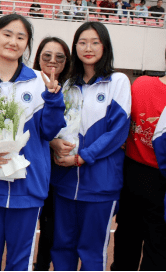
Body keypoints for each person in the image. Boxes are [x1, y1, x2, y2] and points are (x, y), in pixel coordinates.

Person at [0, 14, 65, 271]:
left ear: (27, 44)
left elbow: (48, 131)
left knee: (20, 260)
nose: (13, 41)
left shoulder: (40, 81)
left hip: (29, 186)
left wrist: (53, 100)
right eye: (7, 34)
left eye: (21, 37)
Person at [50, 21, 131, 271]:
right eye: (83, 42)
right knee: (62, 246)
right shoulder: (68, 86)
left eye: (95, 42)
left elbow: (117, 132)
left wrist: (81, 158)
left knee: (92, 250)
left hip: (100, 185)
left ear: (105, 46)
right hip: (65, 183)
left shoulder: (117, 81)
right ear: (75, 47)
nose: (88, 47)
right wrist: (56, 146)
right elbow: (56, 126)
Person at [111, 54, 166, 271]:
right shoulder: (141, 84)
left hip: (157, 181)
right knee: (128, 242)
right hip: (134, 173)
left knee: (157, 247)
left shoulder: (142, 83)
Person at [31, 37, 72, 271]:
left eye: (60, 56)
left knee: (52, 226)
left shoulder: (72, 87)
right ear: (38, 57)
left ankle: (43, 264)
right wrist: (52, 142)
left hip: (63, 168)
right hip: (36, 164)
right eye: (47, 56)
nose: (53, 61)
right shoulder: (29, 83)